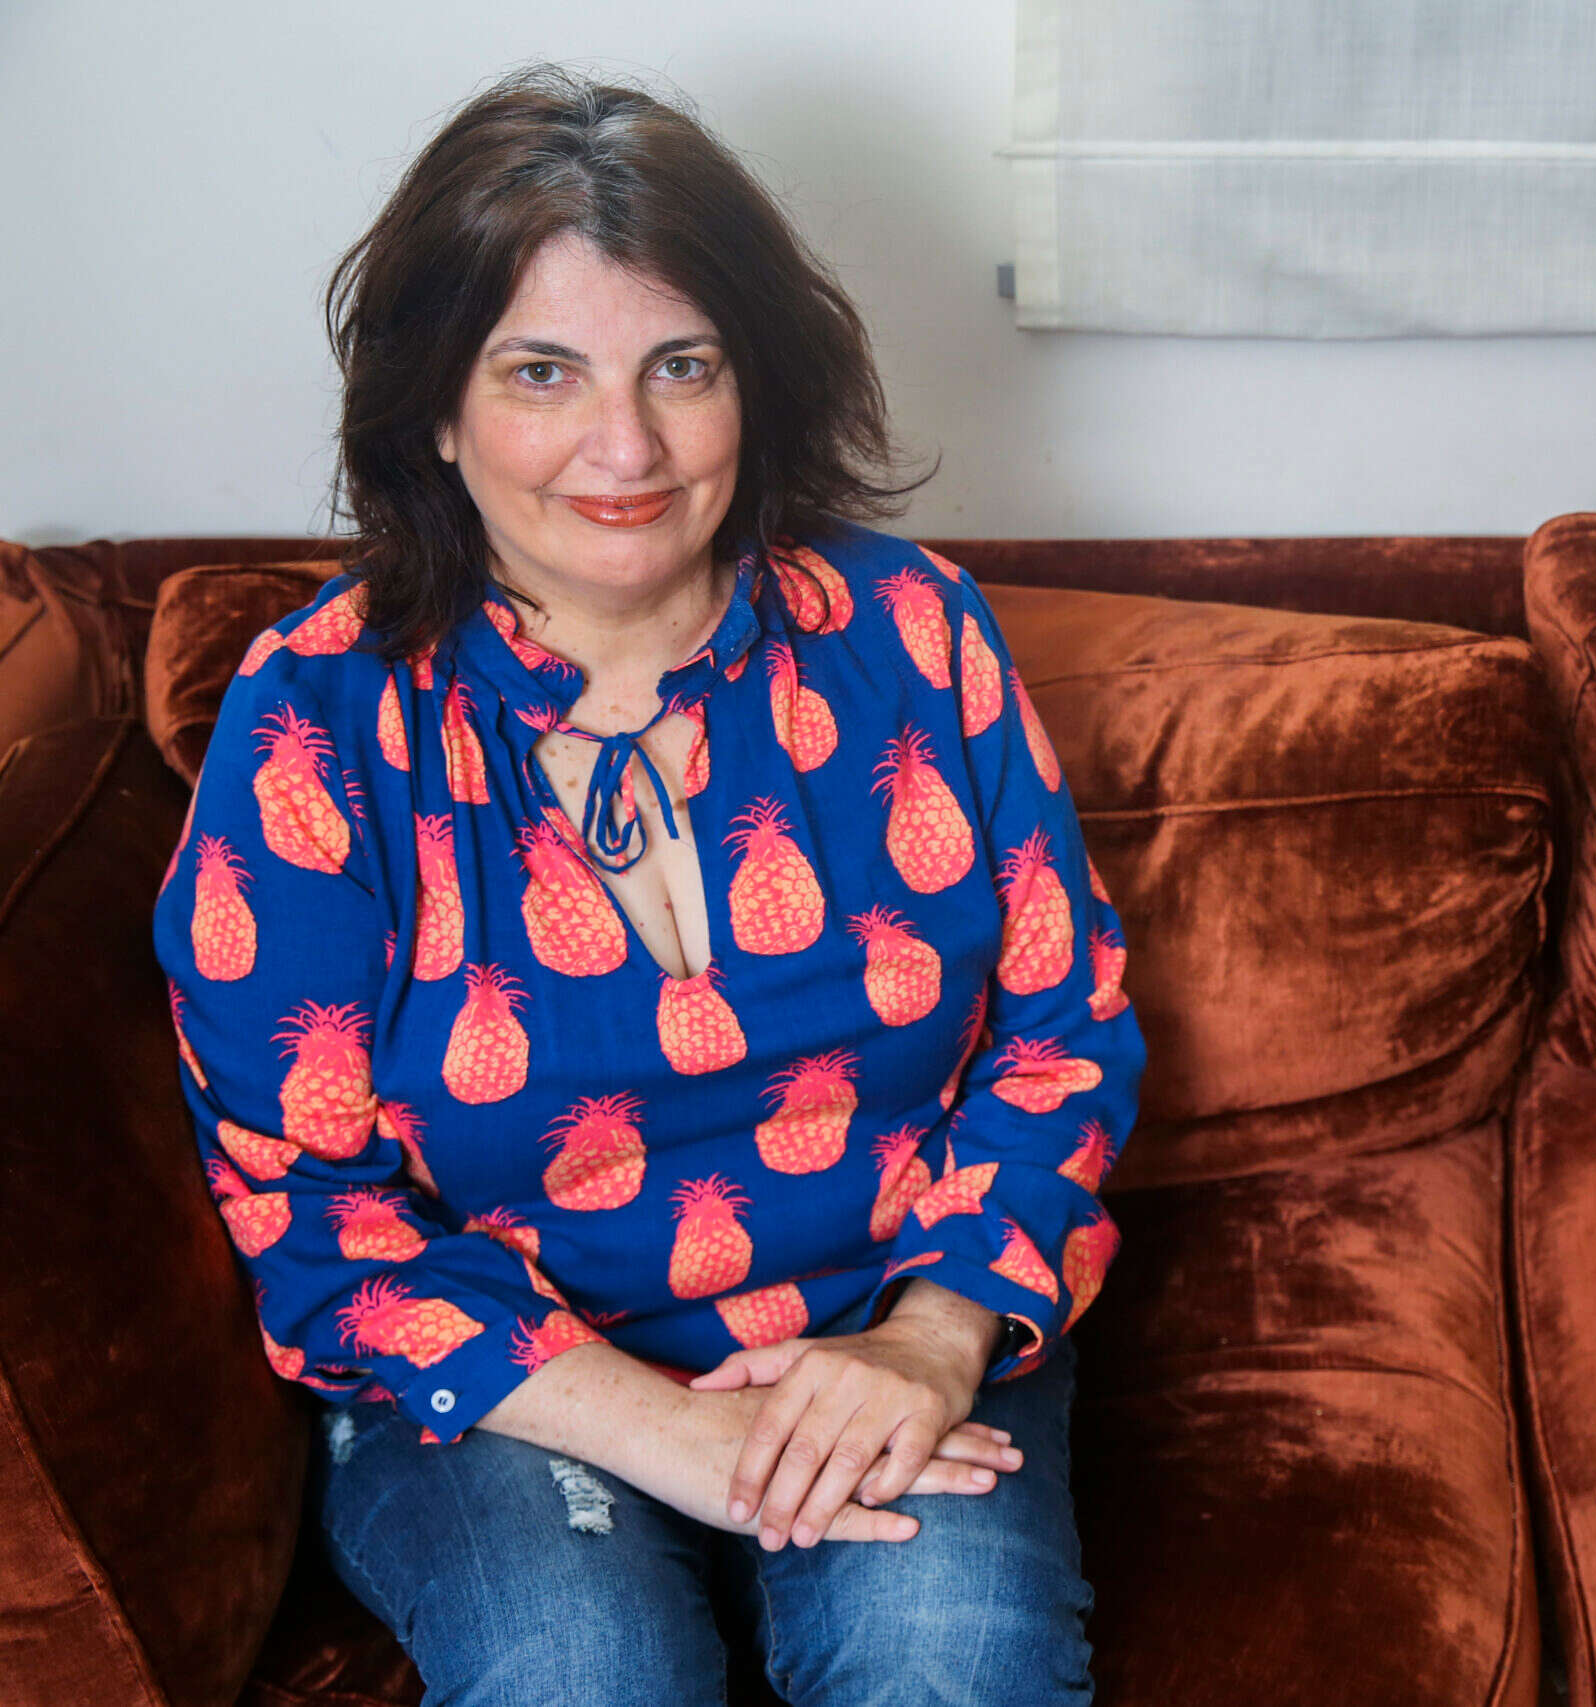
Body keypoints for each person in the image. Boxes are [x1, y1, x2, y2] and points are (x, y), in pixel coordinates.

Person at [151, 64, 1142, 1706]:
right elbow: (306, 1206)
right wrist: (671, 1436)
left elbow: (1062, 1041)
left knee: (953, 1666)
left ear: (755, 381)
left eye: (682, 366)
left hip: (885, 1329)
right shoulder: (312, 722)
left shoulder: (914, 634)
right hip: (501, 1395)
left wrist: (930, 1336)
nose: (627, 446)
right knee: (584, 1677)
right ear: (438, 410)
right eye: (542, 373)